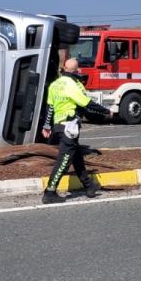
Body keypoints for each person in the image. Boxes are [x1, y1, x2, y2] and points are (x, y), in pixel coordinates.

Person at [41, 58, 112, 204]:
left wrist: (47, 126)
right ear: (76, 70)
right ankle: (50, 192)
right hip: (69, 126)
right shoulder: (71, 85)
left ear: (63, 68)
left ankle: (88, 185)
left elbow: (50, 108)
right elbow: (87, 104)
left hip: (58, 126)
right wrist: (106, 111)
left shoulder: (55, 84)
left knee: (76, 156)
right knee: (64, 161)